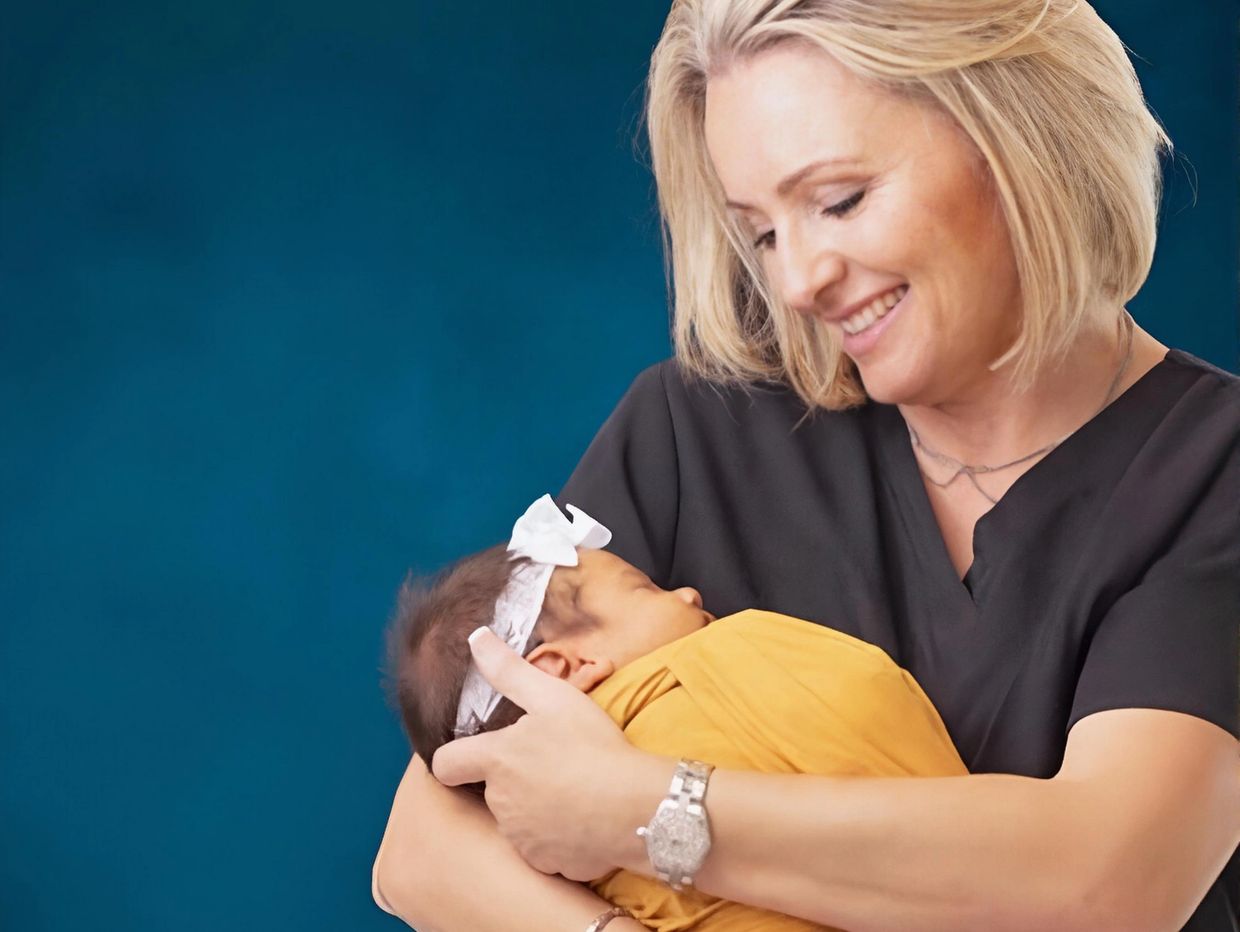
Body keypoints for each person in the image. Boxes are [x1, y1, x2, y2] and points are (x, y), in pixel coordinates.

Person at [373, 1, 1240, 929]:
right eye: (762, 232)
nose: (796, 282)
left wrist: (643, 812)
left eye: (838, 200)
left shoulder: (1211, 475)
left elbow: (1109, 881)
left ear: (1020, 135)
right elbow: (424, 845)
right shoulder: (694, 429)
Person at [384, 494, 967, 929]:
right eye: (646, 590)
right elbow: (870, 719)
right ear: (562, 667)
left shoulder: (544, 853)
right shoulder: (731, 659)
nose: (689, 594)